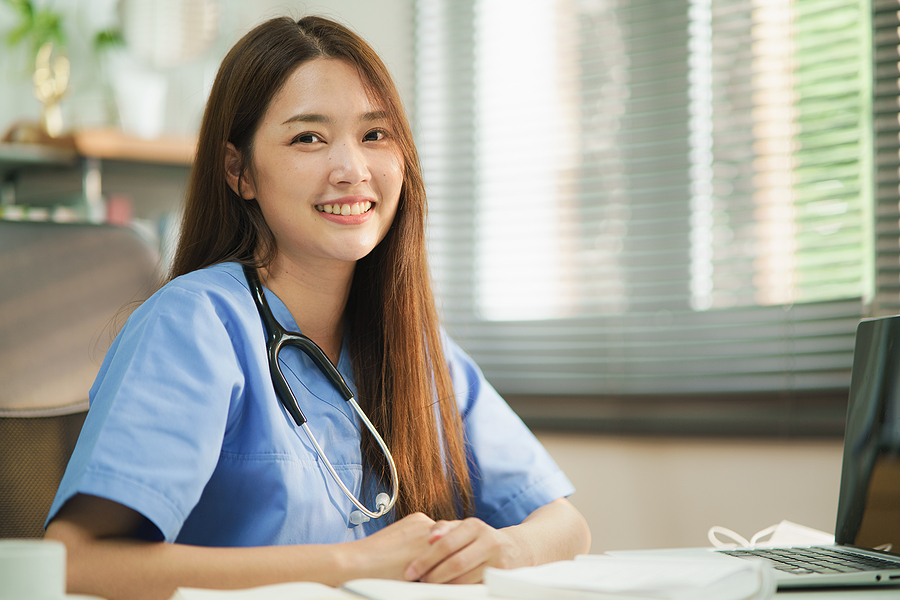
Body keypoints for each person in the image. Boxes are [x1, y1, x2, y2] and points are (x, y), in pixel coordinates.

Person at [44, 14, 590, 600]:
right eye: (309, 137)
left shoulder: (412, 344)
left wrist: (505, 549)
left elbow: (566, 526)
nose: (352, 170)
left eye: (375, 135)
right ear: (240, 171)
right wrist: (351, 563)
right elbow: (74, 564)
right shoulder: (196, 325)